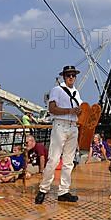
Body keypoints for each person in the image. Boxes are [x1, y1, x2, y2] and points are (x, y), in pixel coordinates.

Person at [35, 65, 83, 204]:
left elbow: (80, 110)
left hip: (73, 127)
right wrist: (71, 111)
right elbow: (52, 109)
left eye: (73, 75)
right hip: (60, 126)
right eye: (68, 75)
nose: (71, 77)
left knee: (69, 162)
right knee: (54, 159)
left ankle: (64, 191)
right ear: (64, 76)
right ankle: (43, 190)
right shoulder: (56, 90)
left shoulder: (76, 92)